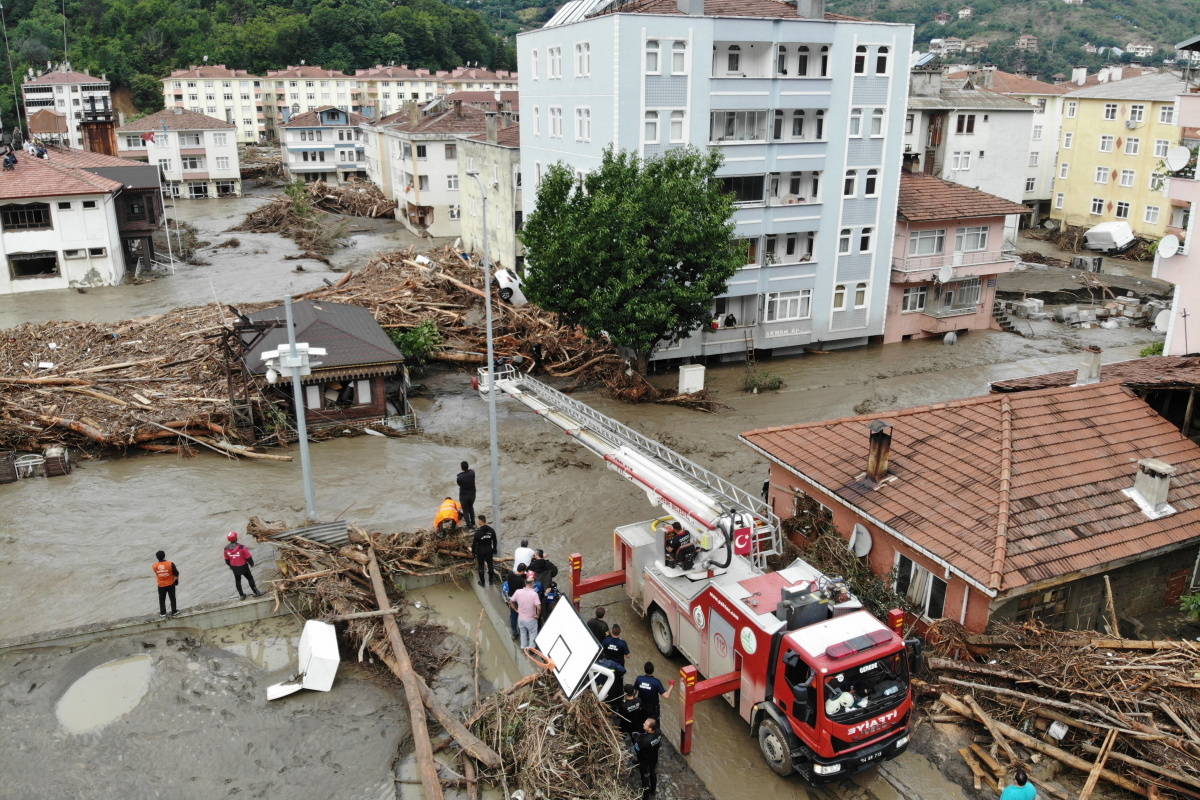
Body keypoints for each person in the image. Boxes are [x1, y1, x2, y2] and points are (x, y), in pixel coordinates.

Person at [223, 532, 262, 599]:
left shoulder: (226, 549)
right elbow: (248, 557)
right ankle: (256, 592)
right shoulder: (242, 547)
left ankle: (241, 595)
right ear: (236, 538)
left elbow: (227, 560)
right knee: (250, 578)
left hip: (234, 568)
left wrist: (231, 566)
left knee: (238, 580)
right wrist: (252, 564)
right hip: (243, 567)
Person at [510, 575, 541, 652]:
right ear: (532, 584)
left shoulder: (518, 592)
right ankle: (531, 649)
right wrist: (537, 615)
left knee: (523, 632)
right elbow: (539, 607)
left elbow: (511, 602)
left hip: (521, 618)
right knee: (532, 633)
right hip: (530, 619)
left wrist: (516, 609)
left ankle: (523, 647)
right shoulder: (534, 594)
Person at [634, 718, 663, 800]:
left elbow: (637, 748)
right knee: (653, 773)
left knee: (645, 779)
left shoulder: (644, 741)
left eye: (645, 724)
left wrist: (638, 739)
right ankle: (653, 790)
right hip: (654, 758)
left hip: (645, 761)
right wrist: (641, 735)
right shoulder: (658, 732)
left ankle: (646, 797)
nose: (643, 724)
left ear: (650, 729)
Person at [471, 514, 497, 587]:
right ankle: (491, 581)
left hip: (480, 551)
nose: (477, 521)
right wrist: (494, 549)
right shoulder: (491, 530)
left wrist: (473, 552)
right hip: (489, 550)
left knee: (481, 566)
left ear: (480, 521)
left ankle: (482, 583)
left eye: (478, 520)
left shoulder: (478, 533)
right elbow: (495, 541)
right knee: (490, 565)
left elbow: (474, 544)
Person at [153, 550, 179, 618]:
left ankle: (163, 613)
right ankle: (174, 611)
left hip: (161, 585)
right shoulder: (170, 564)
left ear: (157, 557)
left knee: (162, 599)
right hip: (171, 584)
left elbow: (157, 573)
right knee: (172, 598)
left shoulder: (154, 566)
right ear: (164, 556)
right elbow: (176, 573)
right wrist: (176, 581)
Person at [503, 562, 527, 638]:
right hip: (519, 600)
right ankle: (522, 631)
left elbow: (514, 574)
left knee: (513, 616)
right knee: (522, 616)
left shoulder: (510, 574)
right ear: (523, 571)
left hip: (511, 597)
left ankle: (514, 631)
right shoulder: (522, 581)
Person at [456, 461, 477, 530]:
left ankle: (469, 527)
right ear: (468, 466)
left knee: (465, 511)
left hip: (464, 496)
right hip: (472, 495)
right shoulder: (472, 472)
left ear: (461, 468)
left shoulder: (459, 477)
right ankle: (473, 523)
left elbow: (458, 484)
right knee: (471, 508)